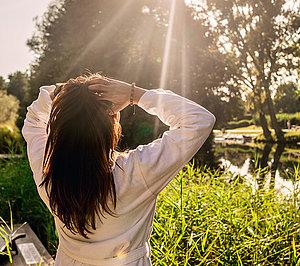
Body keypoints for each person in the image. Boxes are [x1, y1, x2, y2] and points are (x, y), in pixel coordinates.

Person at [22, 72, 216, 265]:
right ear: (112, 122)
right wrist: (134, 94)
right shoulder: (137, 170)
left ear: (61, 124)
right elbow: (198, 120)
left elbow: (33, 120)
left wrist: (61, 91)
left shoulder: (47, 168)